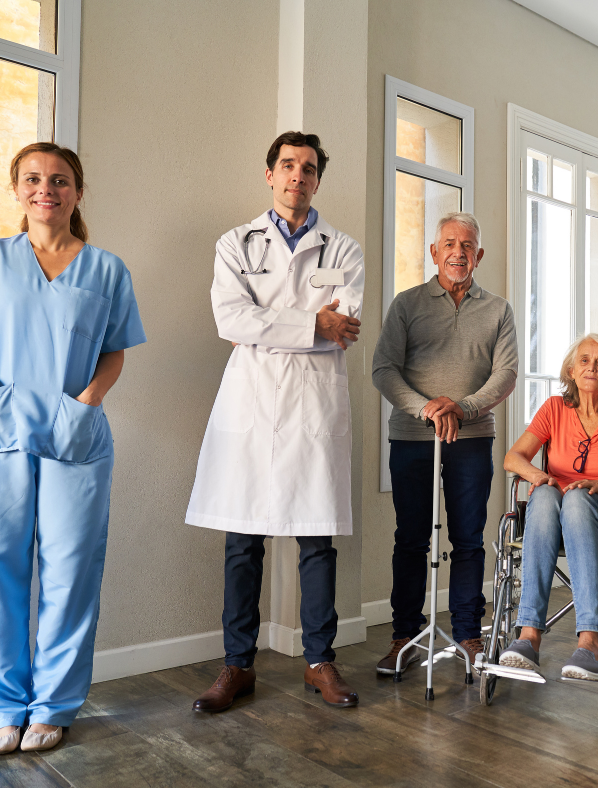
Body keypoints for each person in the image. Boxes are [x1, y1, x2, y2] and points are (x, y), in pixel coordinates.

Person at [0, 143, 146, 755]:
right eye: (32, 179)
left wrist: (83, 405)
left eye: (59, 180)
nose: (45, 189)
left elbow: (114, 352)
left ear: (77, 192)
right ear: (16, 189)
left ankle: (52, 705)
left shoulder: (106, 270)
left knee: (71, 573)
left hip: (73, 438)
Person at [185, 132, 364, 711]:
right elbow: (231, 319)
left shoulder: (344, 251)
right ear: (270, 174)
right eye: (288, 165)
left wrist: (277, 323)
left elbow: (348, 324)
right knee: (243, 542)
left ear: (317, 180)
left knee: (316, 543)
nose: (297, 176)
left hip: (313, 408)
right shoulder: (236, 243)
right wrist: (312, 325)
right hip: (252, 406)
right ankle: (237, 666)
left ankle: (320, 662)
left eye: (308, 169)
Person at [371, 212, 518, 674]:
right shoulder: (406, 304)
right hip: (413, 437)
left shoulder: (498, 309)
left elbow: (506, 374)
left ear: (478, 255)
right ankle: (404, 637)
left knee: (468, 539)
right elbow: (383, 369)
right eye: (449, 244)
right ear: (434, 253)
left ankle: (469, 635)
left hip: (472, 439)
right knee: (411, 539)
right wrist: (427, 409)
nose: (459, 251)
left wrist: (463, 408)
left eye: (468, 245)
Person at [500, 335, 598, 680]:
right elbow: (512, 458)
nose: (591, 367)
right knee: (543, 493)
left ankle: (590, 640)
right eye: (584, 360)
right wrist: (540, 476)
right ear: (571, 370)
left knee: (576, 498)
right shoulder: (554, 409)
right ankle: (528, 637)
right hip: (553, 520)